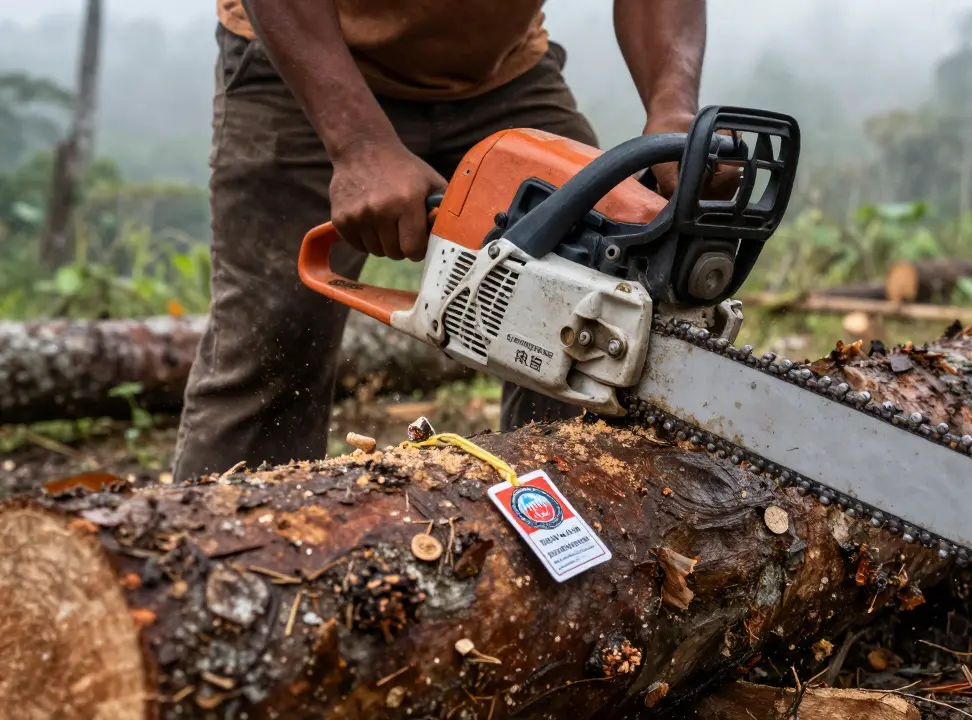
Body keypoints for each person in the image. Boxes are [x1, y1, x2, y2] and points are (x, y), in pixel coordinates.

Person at [171, 0, 736, 480]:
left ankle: (568, 553)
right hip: (309, 53)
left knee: (599, 306)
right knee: (273, 341)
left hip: (502, 75)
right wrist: (359, 143)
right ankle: (221, 571)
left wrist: (673, 109)